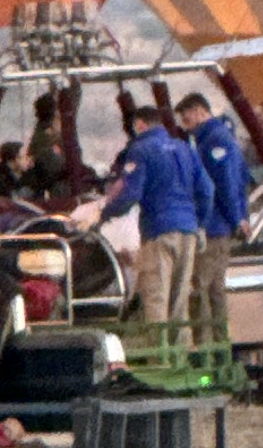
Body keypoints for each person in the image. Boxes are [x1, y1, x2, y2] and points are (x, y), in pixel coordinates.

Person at [101, 101, 203, 342]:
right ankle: (183, 355)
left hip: (159, 230)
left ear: (140, 125)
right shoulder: (184, 148)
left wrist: (105, 213)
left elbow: (130, 193)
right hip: (188, 230)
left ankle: (161, 359)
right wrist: (199, 223)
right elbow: (205, 188)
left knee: (156, 296)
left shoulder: (141, 149)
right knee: (180, 299)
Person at [179, 91, 249, 354]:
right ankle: (218, 345)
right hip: (216, 223)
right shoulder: (209, 139)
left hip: (216, 225)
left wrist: (236, 218)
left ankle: (207, 346)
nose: (187, 125)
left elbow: (227, 184)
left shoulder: (215, 141)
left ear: (200, 111)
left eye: (188, 119)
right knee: (213, 288)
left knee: (203, 286)